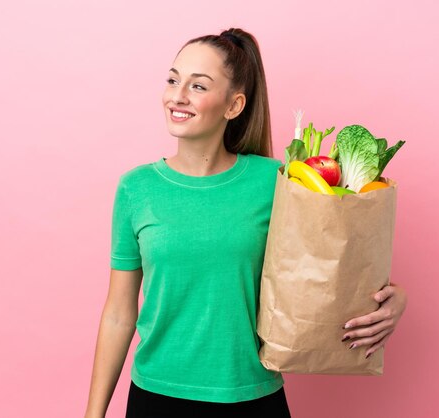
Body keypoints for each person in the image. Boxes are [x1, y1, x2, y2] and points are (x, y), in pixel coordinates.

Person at [84, 28, 408, 418]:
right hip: (156, 397)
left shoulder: (279, 181)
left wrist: (396, 300)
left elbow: (328, 268)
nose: (178, 96)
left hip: (253, 399)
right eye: (173, 80)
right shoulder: (136, 189)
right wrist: (93, 414)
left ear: (233, 106)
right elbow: (119, 312)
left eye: (198, 86)